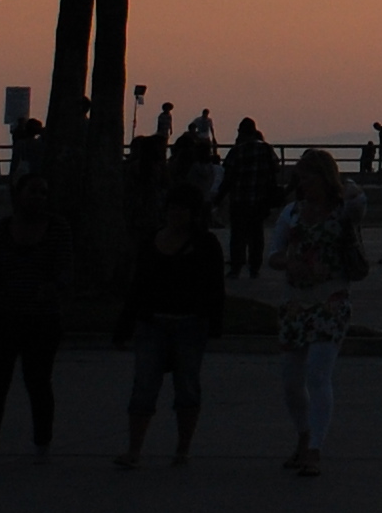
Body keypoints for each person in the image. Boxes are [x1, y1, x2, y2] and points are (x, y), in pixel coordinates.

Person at [268, 148, 365, 476]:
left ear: (325, 178)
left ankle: (315, 448)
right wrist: (289, 262)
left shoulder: (342, 212)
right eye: (301, 178)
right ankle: (303, 433)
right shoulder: (292, 213)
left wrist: (347, 188)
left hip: (331, 301)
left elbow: (358, 201)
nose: (304, 185)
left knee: (318, 373)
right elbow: (274, 254)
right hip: (295, 303)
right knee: (290, 381)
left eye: (309, 178)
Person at [115, 184, 226, 468]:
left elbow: (215, 286)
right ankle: (134, 449)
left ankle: (182, 449)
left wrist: (214, 322)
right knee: (144, 385)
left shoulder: (206, 244)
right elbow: (137, 285)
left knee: (187, 387)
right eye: (173, 208)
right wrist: (126, 323)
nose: (177, 214)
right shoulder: (151, 241)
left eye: (183, 209)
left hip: (190, 324)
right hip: (152, 323)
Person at [0, 177, 67, 470]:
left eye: (44, 192)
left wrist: (52, 289)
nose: (38, 197)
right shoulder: (1, 229)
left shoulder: (57, 229)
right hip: (3, 315)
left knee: (38, 381)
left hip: (42, 318)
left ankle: (42, 443)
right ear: (17, 195)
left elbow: (64, 269)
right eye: (33, 191)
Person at [223, 119, 280, 279]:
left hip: (239, 199)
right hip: (260, 199)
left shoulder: (236, 151)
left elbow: (228, 177)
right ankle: (254, 267)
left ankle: (236, 267)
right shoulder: (266, 149)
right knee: (256, 234)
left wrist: (218, 197)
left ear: (240, 132)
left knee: (238, 235)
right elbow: (276, 168)